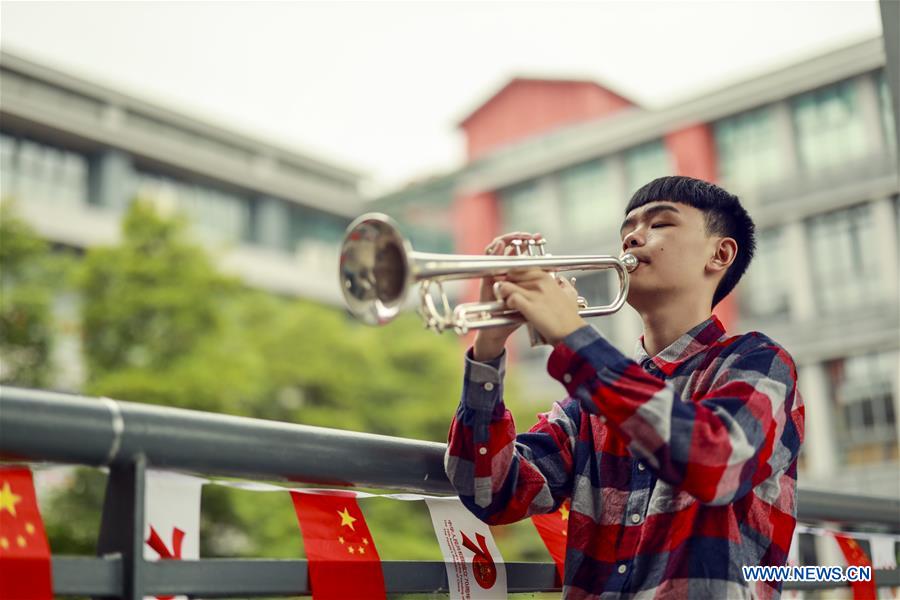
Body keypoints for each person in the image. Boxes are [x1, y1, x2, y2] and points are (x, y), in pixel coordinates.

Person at [445, 176, 805, 599]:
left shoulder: (759, 361)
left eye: (660, 224)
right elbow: (490, 493)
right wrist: (488, 348)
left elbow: (717, 463)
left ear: (719, 254)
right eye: (628, 229)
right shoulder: (588, 404)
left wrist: (572, 335)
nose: (633, 237)